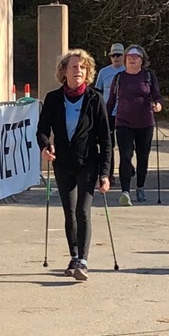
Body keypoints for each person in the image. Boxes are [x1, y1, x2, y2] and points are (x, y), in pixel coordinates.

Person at [36, 49, 112, 281]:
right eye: (74, 66)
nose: (78, 70)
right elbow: (42, 130)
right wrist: (45, 146)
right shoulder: (53, 99)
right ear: (64, 71)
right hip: (63, 163)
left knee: (82, 211)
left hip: (88, 162)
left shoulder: (94, 99)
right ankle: (74, 255)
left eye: (82, 67)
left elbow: (106, 139)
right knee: (69, 212)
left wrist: (105, 173)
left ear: (87, 72)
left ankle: (83, 261)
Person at [107, 45, 162, 205]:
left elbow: (157, 95)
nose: (132, 59)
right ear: (125, 60)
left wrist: (158, 105)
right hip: (123, 122)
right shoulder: (119, 78)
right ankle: (125, 191)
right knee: (125, 156)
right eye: (129, 57)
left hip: (145, 123)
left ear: (142, 60)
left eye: (135, 57)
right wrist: (104, 119)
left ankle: (140, 187)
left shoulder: (148, 76)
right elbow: (111, 101)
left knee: (142, 157)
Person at [94, 43, 126, 110]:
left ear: (124, 56)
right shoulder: (103, 72)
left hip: (124, 110)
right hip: (107, 110)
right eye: (113, 55)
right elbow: (97, 92)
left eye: (118, 55)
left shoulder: (129, 71)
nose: (115, 57)